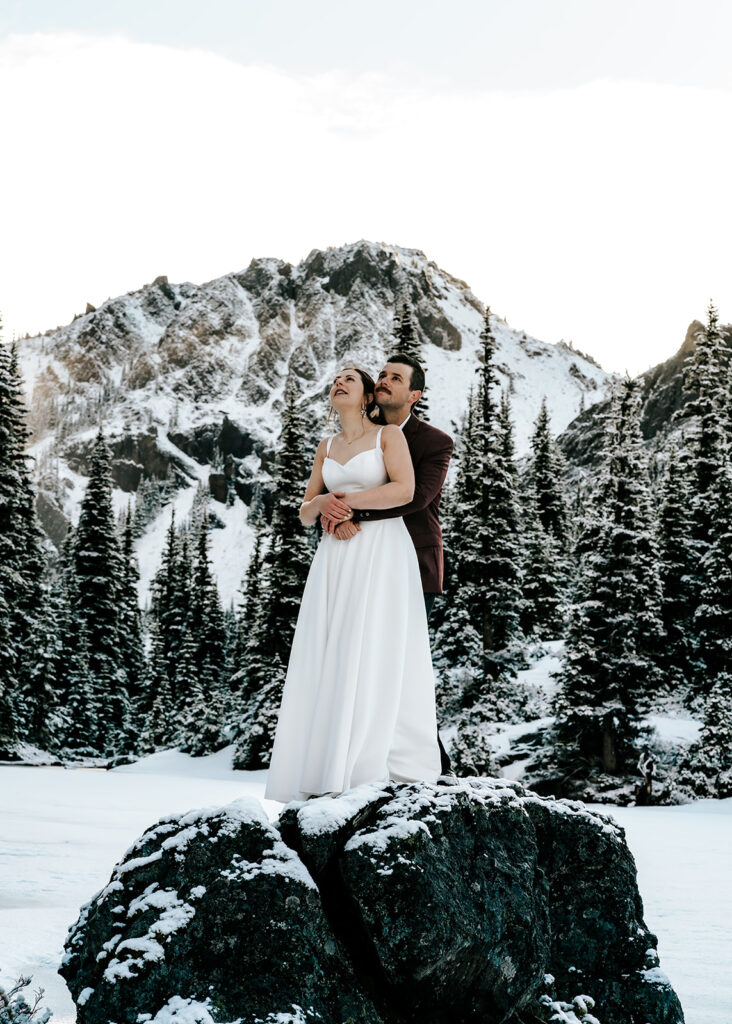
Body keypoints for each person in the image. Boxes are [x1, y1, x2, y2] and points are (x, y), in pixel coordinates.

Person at [263, 365, 442, 803]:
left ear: (365, 399)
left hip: (380, 550)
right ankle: (326, 763)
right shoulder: (326, 446)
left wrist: (340, 507)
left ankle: (369, 760)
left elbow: (406, 492)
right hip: (334, 557)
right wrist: (322, 506)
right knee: (333, 649)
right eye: (335, 379)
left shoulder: (390, 437)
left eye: (350, 379)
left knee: (374, 645)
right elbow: (305, 510)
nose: (339, 383)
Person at [321, 354, 455, 777]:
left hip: (412, 564)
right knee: (361, 661)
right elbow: (333, 485)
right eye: (381, 375)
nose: (383, 381)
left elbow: (415, 498)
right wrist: (330, 513)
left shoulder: (434, 442)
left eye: (395, 378)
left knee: (402, 666)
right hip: (358, 560)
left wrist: (346, 514)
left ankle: (428, 769)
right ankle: (359, 761)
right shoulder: (361, 431)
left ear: (414, 394)